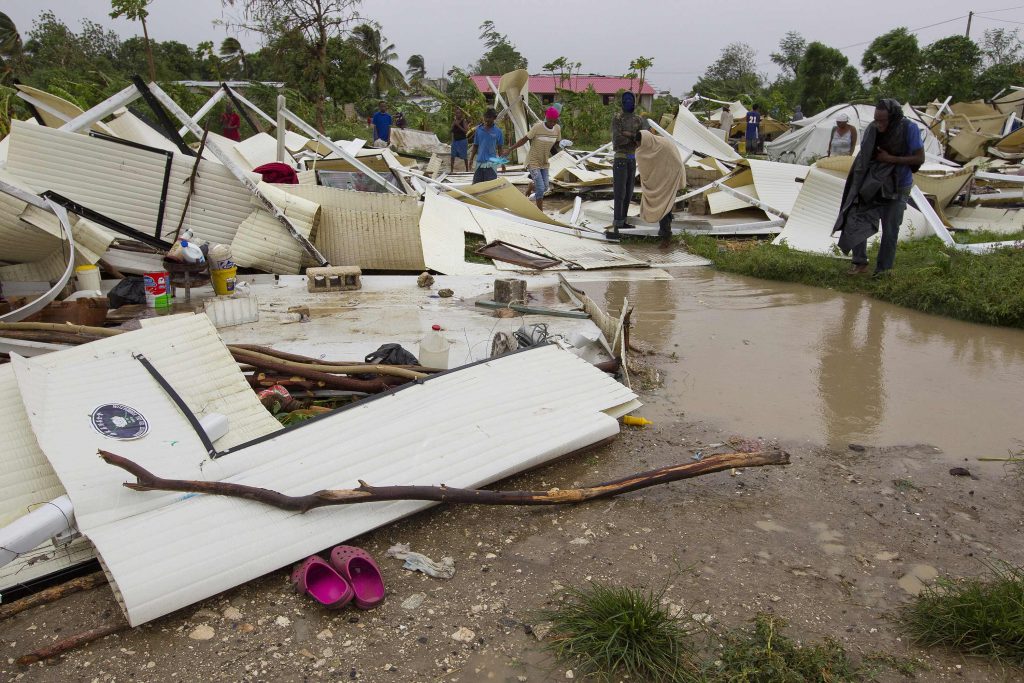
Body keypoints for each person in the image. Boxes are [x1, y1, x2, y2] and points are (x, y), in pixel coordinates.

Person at [833, 99, 924, 277]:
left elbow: (919, 159)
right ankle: (859, 263)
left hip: (898, 185)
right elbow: (864, 157)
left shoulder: (908, 129)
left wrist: (891, 159)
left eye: (883, 121)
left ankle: (883, 270)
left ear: (894, 118)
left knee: (890, 230)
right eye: (877, 120)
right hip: (873, 183)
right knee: (856, 217)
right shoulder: (873, 129)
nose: (879, 124)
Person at [634, 130, 684, 247]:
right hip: (665, 177)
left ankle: (666, 236)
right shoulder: (653, 146)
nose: (638, 147)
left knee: (664, 205)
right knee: (666, 205)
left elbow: (674, 162)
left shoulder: (662, 145)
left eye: (638, 143)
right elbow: (650, 167)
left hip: (671, 176)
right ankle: (666, 233)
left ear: (645, 141)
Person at [506, 107, 561, 211]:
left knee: (545, 188)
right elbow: (524, 140)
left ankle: (531, 186)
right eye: (550, 121)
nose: (552, 123)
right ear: (546, 117)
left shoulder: (557, 129)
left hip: (544, 162)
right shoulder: (537, 127)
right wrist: (510, 149)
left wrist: (561, 151)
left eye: (554, 121)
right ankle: (540, 212)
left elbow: (556, 144)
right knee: (540, 188)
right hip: (533, 161)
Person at [609, 91, 648, 237]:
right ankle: (618, 222)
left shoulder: (638, 119)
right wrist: (633, 137)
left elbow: (641, 139)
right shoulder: (617, 118)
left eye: (630, 99)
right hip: (620, 158)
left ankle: (623, 221)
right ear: (622, 102)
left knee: (629, 192)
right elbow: (617, 139)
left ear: (634, 102)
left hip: (632, 159)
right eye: (625, 99)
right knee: (620, 192)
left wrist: (629, 135)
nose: (628, 102)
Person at [471, 108, 505, 184]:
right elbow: (475, 145)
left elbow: (500, 149)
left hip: (491, 165)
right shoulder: (479, 130)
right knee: (476, 186)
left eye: (489, 117)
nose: (487, 119)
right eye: (486, 117)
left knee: (490, 187)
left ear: (494, 118)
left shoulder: (498, 132)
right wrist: (471, 159)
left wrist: (502, 163)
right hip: (479, 164)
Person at [450, 107, 470, 172]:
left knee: (464, 156)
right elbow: (452, 131)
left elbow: (466, 131)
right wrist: (452, 140)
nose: (457, 114)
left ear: (461, 114)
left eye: (459, 113)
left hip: (462, 141)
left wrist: (458, 125)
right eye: (456, 113)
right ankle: (451, 170)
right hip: (455, 141)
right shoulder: (454, 121)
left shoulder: (463, 121)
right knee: (452, 156)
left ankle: (467, 170)